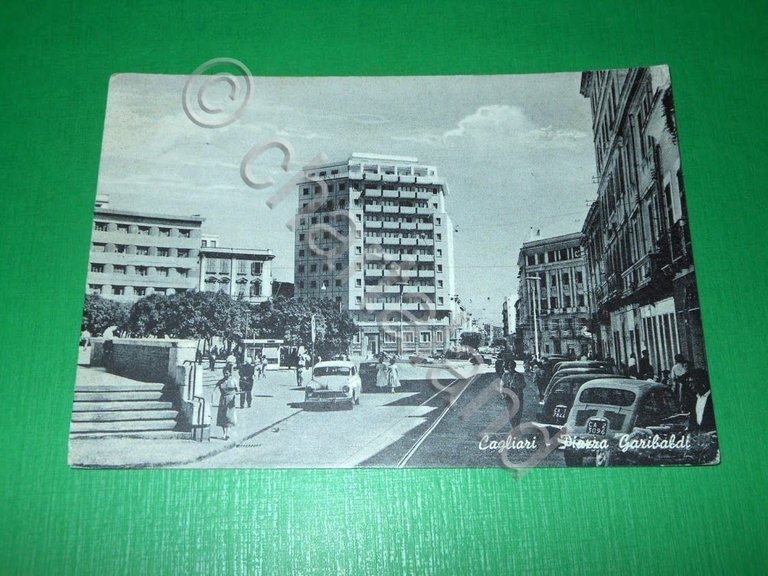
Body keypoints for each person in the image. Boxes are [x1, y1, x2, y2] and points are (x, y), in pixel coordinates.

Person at [501, 360, 527, 429]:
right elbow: (502, 385)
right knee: (510, 411)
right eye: (509, 366)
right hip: (508, 396)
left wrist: (518, 386)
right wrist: (503, 394)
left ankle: (517, 425)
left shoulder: (519, 375)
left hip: (518, 395)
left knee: (518, 411)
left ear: (514, 366)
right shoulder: (505, 375)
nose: (510, 368)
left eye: (512, 366)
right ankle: (513, 426)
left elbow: (524, 384)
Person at [215, 370, 240, 440]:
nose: (225, 374)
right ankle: (224, 434)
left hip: (231, 400)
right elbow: (214, 389)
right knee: (222, 416)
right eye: (224, 373)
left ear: (230, 373)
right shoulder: (221, 381)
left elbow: (237, 390)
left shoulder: (234, 381)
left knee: (229, 416)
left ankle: (228, 433)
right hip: (223, 399)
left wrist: (236, 395)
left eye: (226, 373)